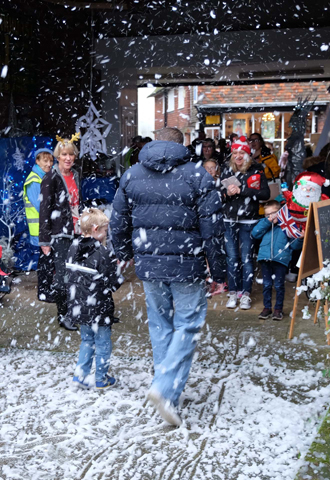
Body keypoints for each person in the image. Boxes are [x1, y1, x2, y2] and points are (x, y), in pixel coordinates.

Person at [111, 127, 222, 426]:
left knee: (161, 326)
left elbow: (117, 220)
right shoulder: (197, 175)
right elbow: (212, 229)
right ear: (182, 145)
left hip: (149, 265)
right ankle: (164, 387)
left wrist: (124, 252)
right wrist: (220, 271)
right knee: (187, 326)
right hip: (188, 264)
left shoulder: (132, 174)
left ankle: (168, 392)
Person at [68, 208, 124, 390]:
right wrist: (117, 271)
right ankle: (101, 378)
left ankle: (80, 376)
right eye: (105, 230)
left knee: (87, 341)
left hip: (80, 306)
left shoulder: (73, 247)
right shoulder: (103, 252)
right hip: (99, 308)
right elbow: (114, 283)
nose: (106, 234)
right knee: (103, 343)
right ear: (95, 229)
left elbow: (67, 277)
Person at [220, 136, 270, 310]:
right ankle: (233, 292)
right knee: (232, 258)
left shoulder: (257, 170)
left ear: (248, 155)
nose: (238, 156)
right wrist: (226, 193)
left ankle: (246, 294)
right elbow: (218, 195)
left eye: (241, 152)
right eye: (235, 153)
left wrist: (242, 191)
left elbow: (265, 194)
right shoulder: (226, 170)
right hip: (228, 220)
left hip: (249, 220)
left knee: (247, 258)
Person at [39, 133, 81, 331]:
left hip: (77, 231)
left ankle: (76, 311)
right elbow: (44, 210)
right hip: (59, 234)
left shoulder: (75, 175)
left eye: (71, 154)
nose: (68, 158)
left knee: (77, 274)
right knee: (63, 276)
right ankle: (63, 315)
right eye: (64, 154)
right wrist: (44, 240)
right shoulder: (50, 178)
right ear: (58, 156)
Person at [251, 201, 303, 321]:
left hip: (281, 260)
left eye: (273, 213)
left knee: (279, 285)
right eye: (267, 215)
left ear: (281, 213)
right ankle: (267, 307)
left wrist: (299, 239)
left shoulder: (286, 227)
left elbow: (294, 246)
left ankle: (278, 309)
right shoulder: (264, 225)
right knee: (267, 284)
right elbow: (255, 233)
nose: (271, 216)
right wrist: (267, 221)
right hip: (265, 258)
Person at [24, 148, 56, 306]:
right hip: (40, 228)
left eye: (51, 161)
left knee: (47, 260)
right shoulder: (35, 180)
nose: (49, 164)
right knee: (45, 261)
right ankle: (44, 291)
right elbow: (40, 205)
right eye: (45, 160)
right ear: (37, 161)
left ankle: (47, 289)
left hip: (45, 227)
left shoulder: (44, 177)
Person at [202, 159, 227, 296]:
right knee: (206, 253)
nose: (210, 171)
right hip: (205, 221)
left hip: (219, 221)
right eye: (207, 168)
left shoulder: (222, 184)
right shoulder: (200, 184)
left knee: (217, 252)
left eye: (213, 168)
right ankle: (208, 279)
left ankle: (218, 280)